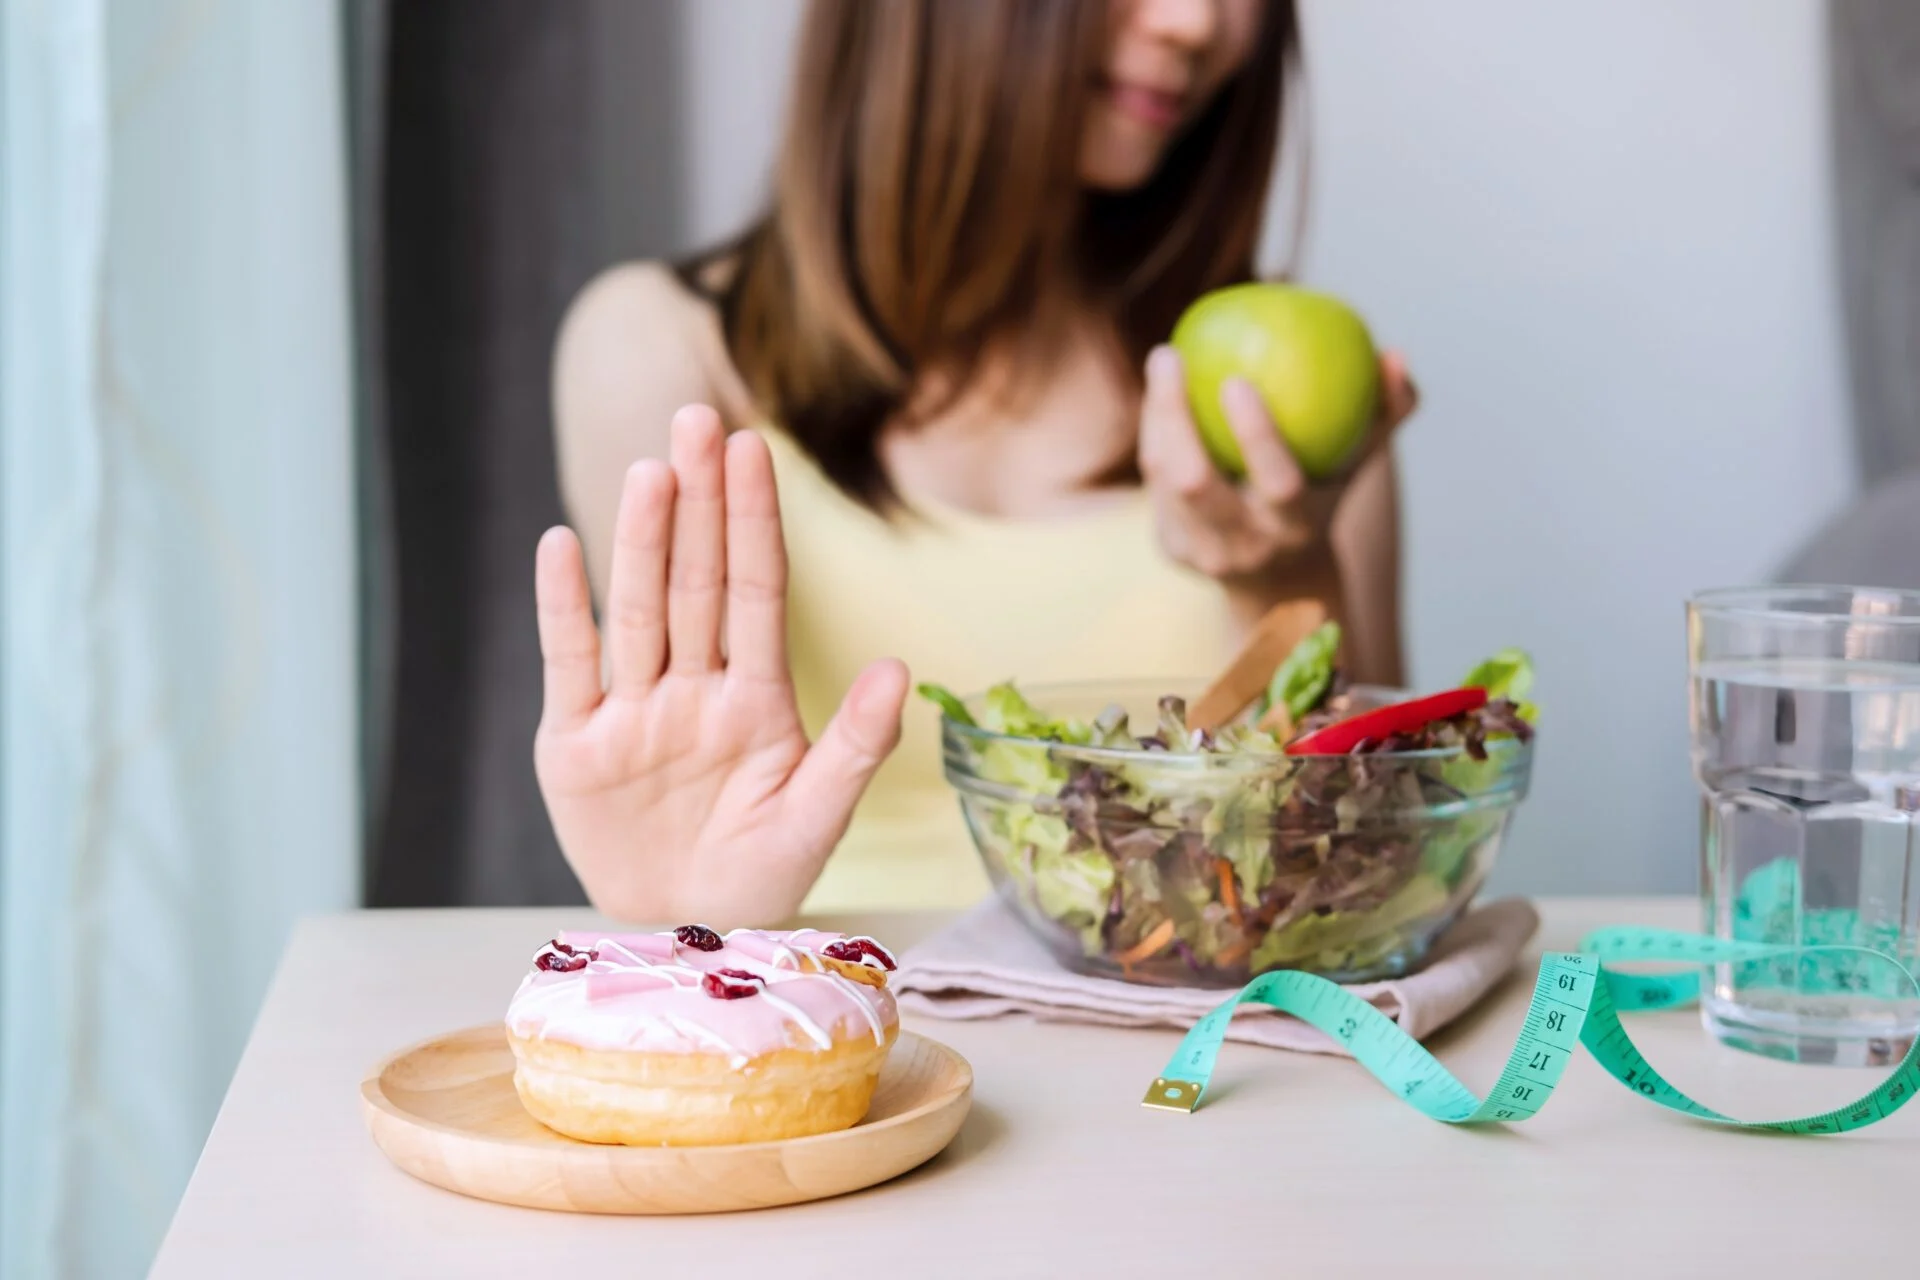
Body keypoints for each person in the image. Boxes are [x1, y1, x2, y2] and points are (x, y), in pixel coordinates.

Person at [534, 0, 1418, 926]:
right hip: (823, 1030)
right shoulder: (659, 351)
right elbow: (681, 835)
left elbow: (1373, 870)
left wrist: (1287, 582)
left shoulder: (1286, 410)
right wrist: (683, 919)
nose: (1196, 23)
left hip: (1196, 1053)